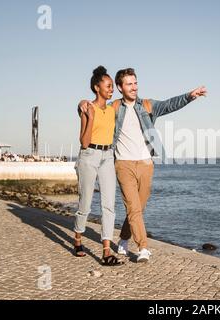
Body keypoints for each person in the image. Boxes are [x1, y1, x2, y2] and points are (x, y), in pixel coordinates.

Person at [80, 68, 206, 263]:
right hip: (123, 164)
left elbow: (169, 104)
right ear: (120, 88)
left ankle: (123, 239)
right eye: (129, 84)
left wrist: (189, 96)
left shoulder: (147, 105)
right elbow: (92, 108)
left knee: (138, 207)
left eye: (135, 83)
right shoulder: (114, 107)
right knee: (133, 207)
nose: (134, 87)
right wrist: (81, 104)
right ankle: (143, 248)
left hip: (146, 163)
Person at [74, 66, 121, 266]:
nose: (112, 89)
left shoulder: (112, 109)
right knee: (85, 202)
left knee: (109, 205)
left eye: (112, 86)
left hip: (108, 156)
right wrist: (90, 116)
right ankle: (77, 240)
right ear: (96, 87)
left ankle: (106, 251)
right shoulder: (87, 108)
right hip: (89, 155)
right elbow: (83, 142)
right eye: (108, 86)